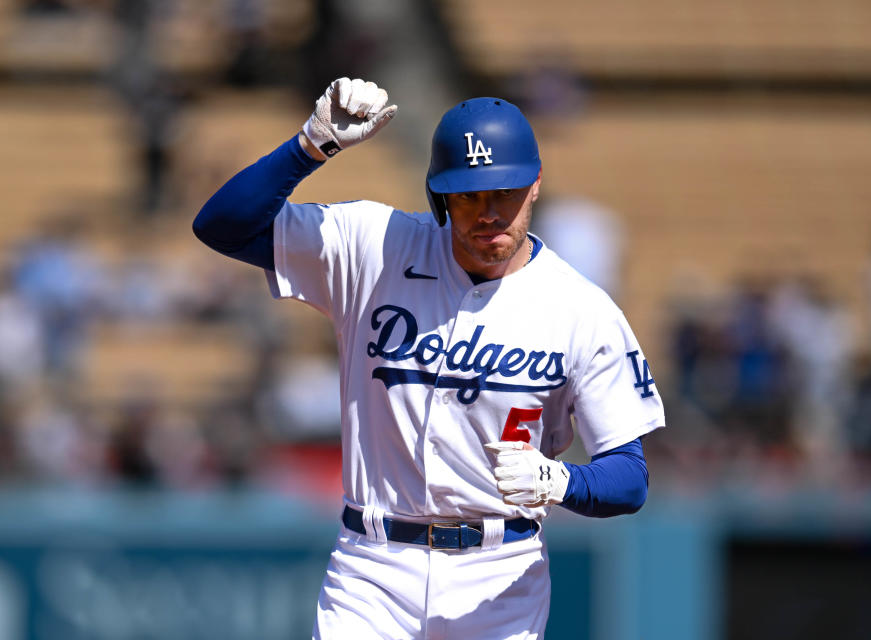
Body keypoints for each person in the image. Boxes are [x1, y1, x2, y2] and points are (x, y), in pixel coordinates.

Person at [193, 78, 666, 639]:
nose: (488, 213)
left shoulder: (581, 309)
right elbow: (221, 225)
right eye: (468, 195)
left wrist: (557, 481)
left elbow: (629, 479)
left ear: (536, 184)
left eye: (505, 192)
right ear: (439, 194)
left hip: (501, 577)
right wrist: (309, 145)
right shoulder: (376, 245)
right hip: (370, 568)